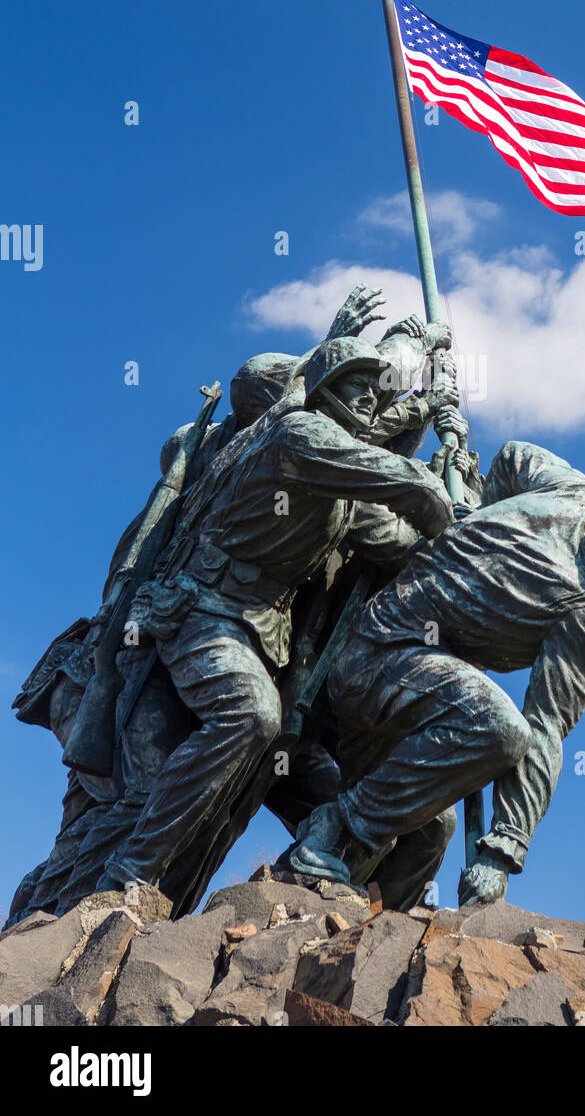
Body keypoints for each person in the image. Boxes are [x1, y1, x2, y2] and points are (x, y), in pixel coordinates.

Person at [92, 329, 455, 896]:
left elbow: (403, 541)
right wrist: (432, 474)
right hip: (206, 610)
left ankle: (335, 892)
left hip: (266, 638)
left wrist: (463, 506)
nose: (367, 397)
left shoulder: (340, 488)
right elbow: (409, 487)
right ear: (326, 387)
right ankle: (129, 872)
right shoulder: (298, 432)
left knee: (402, 808)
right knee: (250, 714)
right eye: (355, 384)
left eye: (373, 389)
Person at [287, 443, 585, 907]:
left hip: (401, 684)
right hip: (380, 657)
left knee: (432, 830)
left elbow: (510, 457)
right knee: (500, 731)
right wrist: (504, 848)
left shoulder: (571, 489)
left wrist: (485, 511)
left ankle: (361, 923)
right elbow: (543, 726)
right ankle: (336, 826)